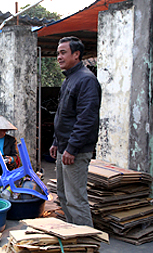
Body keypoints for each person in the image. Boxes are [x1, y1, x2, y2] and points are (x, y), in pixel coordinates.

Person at [49, 36, 101, 227]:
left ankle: (87, 242)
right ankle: (74, 237)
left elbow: (86, 119)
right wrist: (56, 141)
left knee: (76, 200)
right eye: (58, 53)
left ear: (76, 54)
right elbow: (64, 115)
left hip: (75, 151)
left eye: (63, 53)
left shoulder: (86, 80)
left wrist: (72, 148)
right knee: (63, 195)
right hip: (64, 147)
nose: (59, 57)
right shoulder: (70, 79)